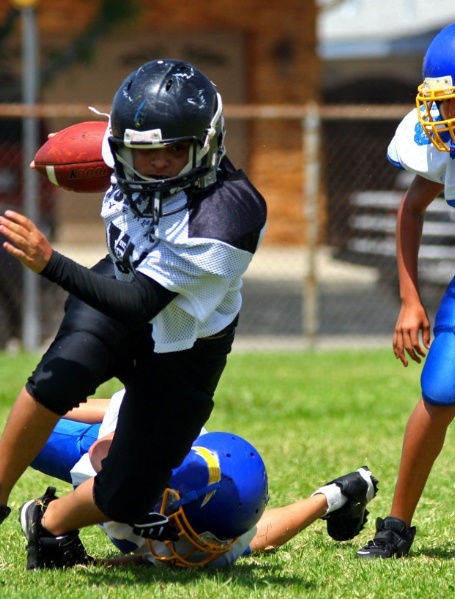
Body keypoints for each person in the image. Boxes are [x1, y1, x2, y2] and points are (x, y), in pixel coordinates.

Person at [0, 59, 268, 569]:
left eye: (174, 150)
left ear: (207, 145)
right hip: (117, 284)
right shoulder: (124, 147)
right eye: (142, 151)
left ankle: (49, 524)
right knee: (60, 375)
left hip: (185, 341)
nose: (158, 162)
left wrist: (50, 262)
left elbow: (144, 304)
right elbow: (94, 149)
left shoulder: (229, 213)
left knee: (127, 494)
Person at [29, 390, 379, 569]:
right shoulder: (151, 435)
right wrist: (45, 407)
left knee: (242, 547)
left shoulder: (228, 524)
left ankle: (338, 494)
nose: (192, 543)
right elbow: (106, 443)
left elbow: (247, 539)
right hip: (107, 440)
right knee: (30, 434)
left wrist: (103, 564)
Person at [356, 23, 455, 559]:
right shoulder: (445, 146)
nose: (444, 117)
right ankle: (396, 525)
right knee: (440, 392)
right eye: (442, 103)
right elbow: (411, 208)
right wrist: (410, 297)